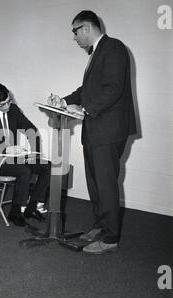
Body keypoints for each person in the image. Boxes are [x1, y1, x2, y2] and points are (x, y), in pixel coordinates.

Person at [48, 11, 137, 254]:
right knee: (96, 183)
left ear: (86, 27)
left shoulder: (114, 48)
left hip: (108, 130)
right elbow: (86, 89)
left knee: (106, 184)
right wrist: (63, 102)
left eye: (75, 32)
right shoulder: (98, 53)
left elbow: (113, 88)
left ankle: (110, 238)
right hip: (97, 130)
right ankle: (100, 226)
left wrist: (85, 108)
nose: (74, 38)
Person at [0, 82, 51, 227]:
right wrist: (6, 150)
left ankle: (32, 207)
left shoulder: (14, 110)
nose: (7, 106)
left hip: (13, 159)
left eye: (9, 101)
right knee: (24, 170)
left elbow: (31, 130)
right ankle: (15, 211)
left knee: (46, 166)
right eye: (2, 104)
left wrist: (33, 154)